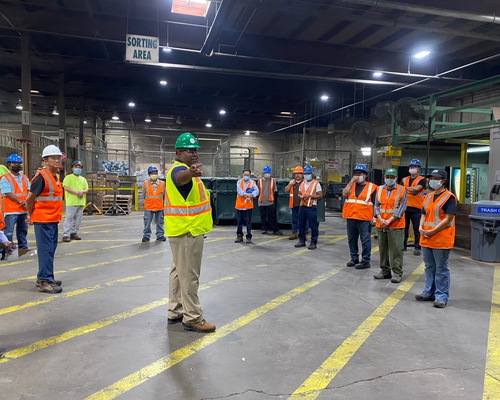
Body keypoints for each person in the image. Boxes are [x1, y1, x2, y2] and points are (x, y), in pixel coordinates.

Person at [164, 132, 215, 333]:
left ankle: (175, 310)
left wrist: (191, 173)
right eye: (189, 150)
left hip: (182, 230)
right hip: (187, 232)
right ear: (178, 152)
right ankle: (192, 317)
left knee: (178, 272)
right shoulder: (179, 171)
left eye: (195, 150)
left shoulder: (184, 170)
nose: (194, 154)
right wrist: (190, 173)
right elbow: (181, 179)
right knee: (190, 275)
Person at [25, 145, 64, 294]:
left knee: (50, 249)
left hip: (52, 219)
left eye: (58, 158)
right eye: (53, 158)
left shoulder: (55, 176)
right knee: (46, 250)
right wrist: (30, 214)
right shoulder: (42, 177)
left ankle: (46, 277)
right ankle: (44, 281)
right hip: (43, 220)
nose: (56, 160)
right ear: (45, 161)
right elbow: (29, 199)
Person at [416, 169, 457, 308]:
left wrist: (432, 230)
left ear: (443, 181)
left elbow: (448, 218)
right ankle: (429, 292)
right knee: (429, 267)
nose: (432, 180)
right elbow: (423, 213)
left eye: (436, 178)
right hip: (427, 237)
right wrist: (420, 226)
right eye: (431, 178)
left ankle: (441, 296)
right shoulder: (428, 196)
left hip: (441, 238)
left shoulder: (449, 197)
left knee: (441, 268)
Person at [373, 168, 407, 283]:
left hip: (396, 225)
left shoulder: (402, 190)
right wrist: (380, 218)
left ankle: (397, 273)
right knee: (383, 249)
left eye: (392, 177)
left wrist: (390, 220)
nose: (389, 179)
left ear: (396, 178)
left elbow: (402, 208)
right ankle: (385, 270)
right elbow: (376, 205)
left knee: (396, 249)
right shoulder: (379, 189)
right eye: (388, 177)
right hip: (381, 224)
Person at [342, 164, 377, 269]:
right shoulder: (351, 185)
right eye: (356, 174)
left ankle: (366, 260)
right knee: (352, 239)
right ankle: (354, 258)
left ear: (365, 175)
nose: (357, 176)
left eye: (360, 174)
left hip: (364, 218)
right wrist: (351, 181)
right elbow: (344, 194)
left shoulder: (372, 187)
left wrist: (375, 217)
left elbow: (376, 203)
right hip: (351, 216)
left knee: (365, 240)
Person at [1, 154, 30, 253]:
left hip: (23, 209)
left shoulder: (25, 177)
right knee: (8, 232)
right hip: (11, 210)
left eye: (18, 163)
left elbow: (29, 191)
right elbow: (8, 192)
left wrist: (27, 202)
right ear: (9, 165)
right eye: (14, 163)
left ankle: (23, 248)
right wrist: (21, 202)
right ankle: (8, 251)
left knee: (23, 230)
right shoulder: (5, 178)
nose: (17, 165)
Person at [401, 159, 426, 256]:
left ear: (418, 169)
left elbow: (417, 189)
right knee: (404, 228)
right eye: (411, 167)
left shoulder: (422, 180)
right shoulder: (404, 179)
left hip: (417, 207)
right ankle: (403, 245)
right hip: (405, 207)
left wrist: (406, 189)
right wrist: (411, 190)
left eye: (415, 167)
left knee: (417, 229)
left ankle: (417, 247)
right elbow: (400, 190)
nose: (413, 169)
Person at [294, 165, 322, 250]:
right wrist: (300, 196)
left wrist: (311, 196)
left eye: (308, 173)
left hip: (311, 207)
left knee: (313, 225)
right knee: (301, 224)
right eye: (305, 173)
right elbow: (299, 193)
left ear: (311, 174)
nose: (306, 175)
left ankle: (314, 242)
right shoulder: (302, 183)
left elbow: (320, 195)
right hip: (302, 206)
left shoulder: (316, 184)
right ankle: (302, 240)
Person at [62, 160, 89, 242]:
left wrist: (82, 192)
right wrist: (77, 192)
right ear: (72, 168)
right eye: (76, 167)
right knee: (69, 218)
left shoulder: (83, 179)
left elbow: (86, 189)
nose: (78, 169)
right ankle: (66, 235)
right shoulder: (68, 177)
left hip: (80, 202)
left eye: (79, 167)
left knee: (78, 219)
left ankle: (74, 233)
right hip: (71, 202)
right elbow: (66, 187)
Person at [142, 166, 166, 242]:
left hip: (159, 206)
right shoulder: (145, 184)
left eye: (155, 172)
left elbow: (164, 195)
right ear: (149, 174)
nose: (154, 174)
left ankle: (160, 235)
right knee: (147, 223)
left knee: (160, 222)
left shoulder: (162, 184)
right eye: (152, 173)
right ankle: (146, 236)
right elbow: (144, 194)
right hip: (149, 206)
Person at [235, 169, 259, 244]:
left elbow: (257, 191)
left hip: (248, 205)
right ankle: (239, 236)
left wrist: (252, 195)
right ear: (243, 175)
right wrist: (247, 195)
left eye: (247, 175)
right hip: (240, 205)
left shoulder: (252, 183)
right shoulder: (239, 182)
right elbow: (240, 191)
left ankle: (249, 236)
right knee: (240, 222)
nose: (246, 176)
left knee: (248, 221)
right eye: (245, 175)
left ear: (250, 175)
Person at [258, 165, 283, 235]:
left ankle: (275, 229)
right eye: (266, 172)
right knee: (263, 215)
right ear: (263, 173)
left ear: (270, 173)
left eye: (268, 172)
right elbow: (257, 190)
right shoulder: (260, 181)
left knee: (272, 216)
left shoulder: (273, 181)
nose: (267, 174)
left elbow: (275, 191)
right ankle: (264, 229)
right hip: (261, 201)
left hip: (270, 201)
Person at [285, 166, 308, 240]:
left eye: (299, 173)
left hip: (303, 204)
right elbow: (286, 190)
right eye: (296, 173)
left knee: (304, 220)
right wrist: (290, 184)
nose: (298, 175)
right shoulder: (292, 182)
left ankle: (304, 233)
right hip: (294, 204)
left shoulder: (305, 182)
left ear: (302, 174)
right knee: (294, 219)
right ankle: (294, 233)